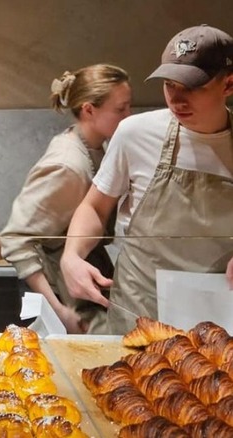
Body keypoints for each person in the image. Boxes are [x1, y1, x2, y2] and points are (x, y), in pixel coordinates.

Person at [60, 24, 233, 335]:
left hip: (219, 321)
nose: (177, 99)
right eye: (169, 85)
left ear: (229, 84)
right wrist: (71, 256)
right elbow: (95, 208)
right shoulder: (135, 134)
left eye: (193, 87)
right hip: (140, 313)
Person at [0, 64, 132, 334]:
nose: (128, 116)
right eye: (120, 109)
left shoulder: (96, 148)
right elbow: (15, 239)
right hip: (66, 298)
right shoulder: (68, 164)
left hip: (83, 283)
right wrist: (58, 310)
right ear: (89, 110)